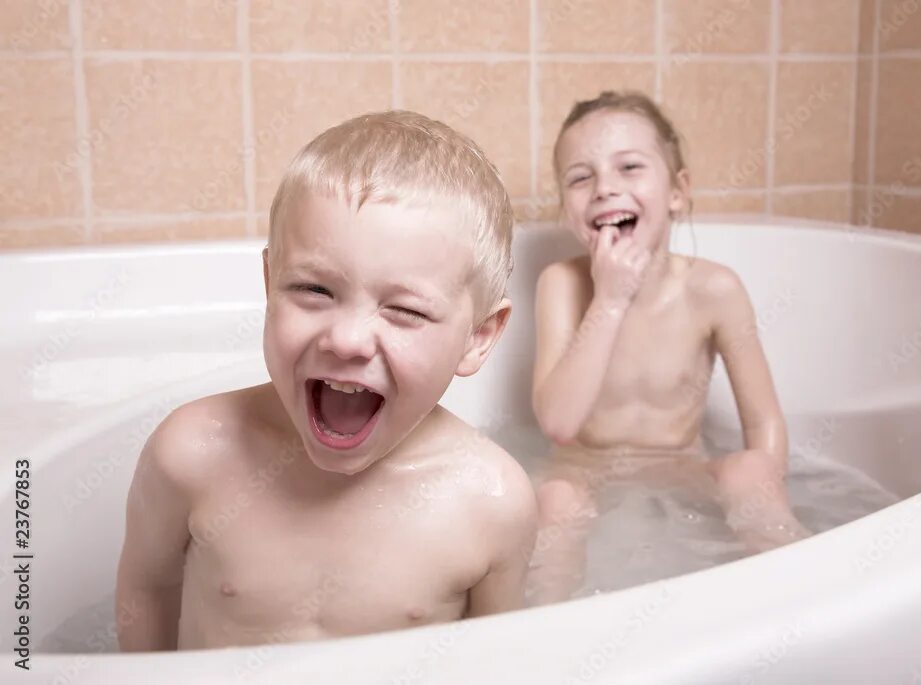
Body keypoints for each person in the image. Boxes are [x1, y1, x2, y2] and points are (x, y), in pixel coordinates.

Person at [115, 111, 537, 650]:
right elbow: (146, 593)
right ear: (269, 283)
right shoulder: (193, 453)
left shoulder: (491, 502)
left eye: (405, 310)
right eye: (314, 290)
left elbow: (495, 663)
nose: (348, 339)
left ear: (479, 336)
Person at [528, 91, 809, 604]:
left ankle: (799, 599)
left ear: (677, 192)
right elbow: (559, 424)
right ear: (568, 211)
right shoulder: (561, 285)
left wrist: (763, 485)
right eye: (580, 177)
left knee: (749, 468)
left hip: (684, 469)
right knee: (555, 500)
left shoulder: (714, 290)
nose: (604, 188)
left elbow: (764, 422)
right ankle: (545, 636)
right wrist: (609, 301)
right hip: (583, 471)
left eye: (630, 167)